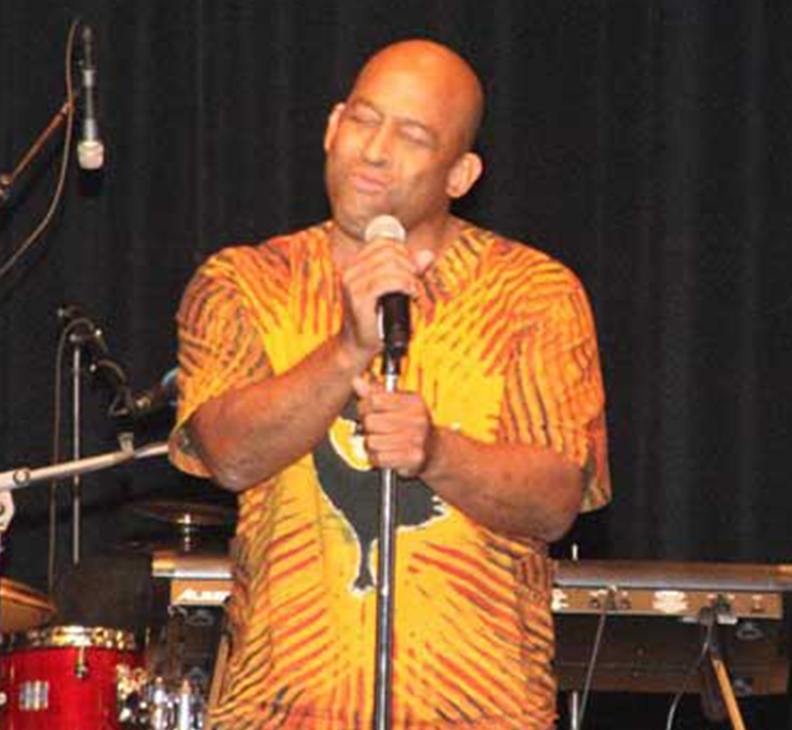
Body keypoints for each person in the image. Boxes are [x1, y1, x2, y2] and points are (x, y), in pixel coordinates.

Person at [169, 39, 610, 730]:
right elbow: (227, 452)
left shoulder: (535, 294)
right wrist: (349, 348)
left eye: (411, 135)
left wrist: (437, 453)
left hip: (479, 709)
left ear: (460, 174)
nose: (374, 151)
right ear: (331, 125)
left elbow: (556, 498)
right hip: (282, 709)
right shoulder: (245, 284)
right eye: (363, 120)